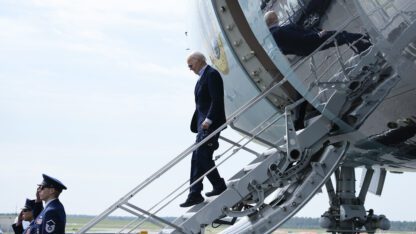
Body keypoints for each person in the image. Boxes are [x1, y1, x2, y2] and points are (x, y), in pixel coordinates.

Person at [179, 52, 227, 208]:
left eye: (190, 65)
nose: (190, 68)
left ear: (198, 61)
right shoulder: (202, 77)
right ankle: (194, 194)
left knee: (201, 156)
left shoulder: (212, 74)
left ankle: (218, 185)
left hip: (210, 124)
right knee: (196, 157)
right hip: (202, 125)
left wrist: (208, 120)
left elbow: (217, 99)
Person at [264, 10, 372, 56]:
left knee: (341, 37)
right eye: (276, 16)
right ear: (273, 19)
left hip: (307, 49)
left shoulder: (273, 36)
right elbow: (300, 39)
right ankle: (365, 40)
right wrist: (318, 35)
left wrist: (300, 51)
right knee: (341, 35)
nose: (277, 17)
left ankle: (362, 45)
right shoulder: (280, 31)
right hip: (314, 41)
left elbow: (285, 51)